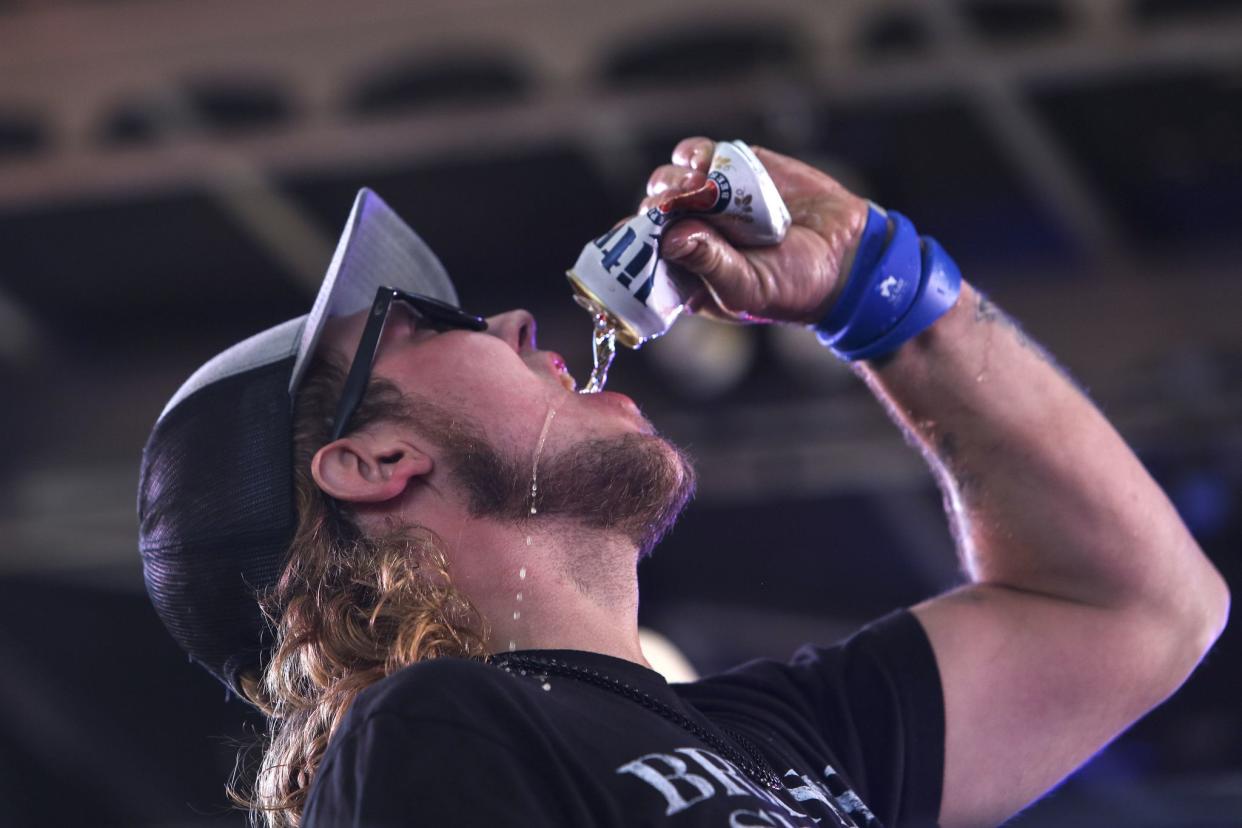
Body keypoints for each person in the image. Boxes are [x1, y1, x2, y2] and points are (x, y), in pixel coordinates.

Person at [138, 137, 1229, 828]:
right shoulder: (434, 731)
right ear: (374, 463)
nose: (514, 319)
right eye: (425, 328)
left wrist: (879, 286)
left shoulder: (785, 740)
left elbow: (1135, 604)